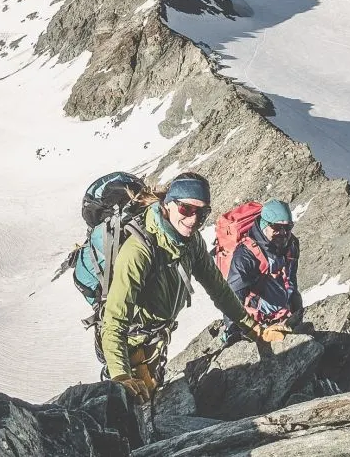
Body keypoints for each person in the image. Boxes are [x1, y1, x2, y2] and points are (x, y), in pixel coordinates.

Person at [100, 173, 288, 404]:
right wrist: (121, 377)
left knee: (153, 402)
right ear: (168, 204)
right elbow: (114, 322)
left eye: (202, 212)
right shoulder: (139, 251)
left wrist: (254, 330)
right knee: (137, 407)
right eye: (186, 209)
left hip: (154, 342)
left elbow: (219, 289)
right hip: (130, 344)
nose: (194, 219)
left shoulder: (191, 243)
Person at [222, 199, 302, 345]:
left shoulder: (292, 245)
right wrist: (234, 328)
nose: (283, 233)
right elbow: (233, 293)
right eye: (277, 227)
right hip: (258, 322)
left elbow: (291, 279)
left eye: (288, 227)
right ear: (265, 224)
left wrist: (296, 309)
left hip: (284, 316)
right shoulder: (247, 254)